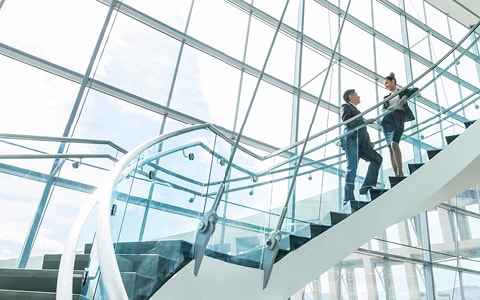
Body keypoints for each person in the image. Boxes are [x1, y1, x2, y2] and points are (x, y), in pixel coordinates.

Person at [340, 89, 383, 205]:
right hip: (351, 141)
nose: (359, 96)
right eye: (356, 95)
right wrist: (364, 121)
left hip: (363, 144)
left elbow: (363, 129)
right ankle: (348, 199)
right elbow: (346, 122)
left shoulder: (358, 111)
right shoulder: (345, 106)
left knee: (377, 159)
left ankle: (367, 186)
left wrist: (368, 141)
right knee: (352, 169)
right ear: (351, 96)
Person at [381, 72, 418, 177]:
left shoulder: (401, 91)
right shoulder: (386, 97)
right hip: (387, 121)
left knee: (394, 144)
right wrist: (387, 109)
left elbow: (415, 89)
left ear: (393, 81)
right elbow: (383, 109)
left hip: (398, 118)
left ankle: (400, 171)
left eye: (387, 83)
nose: (386, 86)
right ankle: (395, 173)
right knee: (390, 148)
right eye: (384, 84)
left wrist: (405, 96)